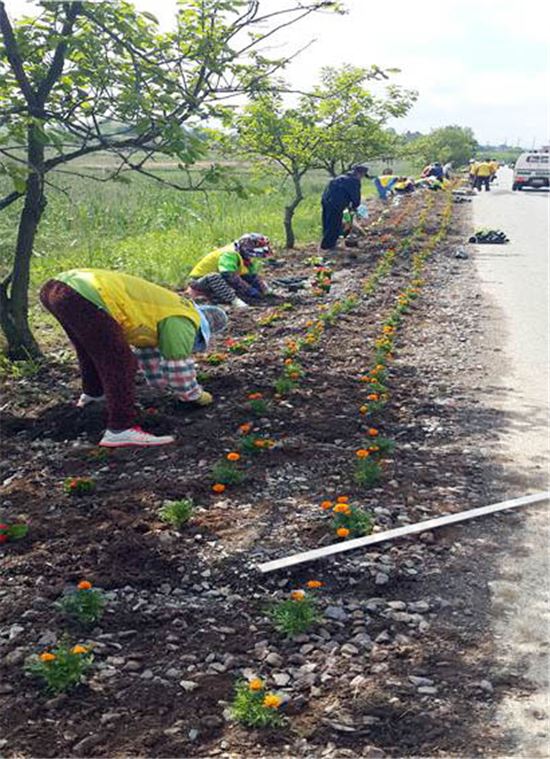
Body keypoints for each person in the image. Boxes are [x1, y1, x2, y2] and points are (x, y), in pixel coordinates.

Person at [39, 269, 228, 448]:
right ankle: (121, 428)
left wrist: (159, 385)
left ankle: (94, 396)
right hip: (85, 293)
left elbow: (148, 352)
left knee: (90, 350)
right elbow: (178, 366)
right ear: (202, 330)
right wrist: (195, 395)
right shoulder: (185, 319)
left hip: (57, 287)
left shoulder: (170, 308)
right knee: (121, 362)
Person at [187, 233, 272, 309]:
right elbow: (228, 275)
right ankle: (234, 301)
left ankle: (225, 296)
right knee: (214, 277)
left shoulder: (243, 257)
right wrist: (248, 289)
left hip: (218, 283)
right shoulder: (229, 254)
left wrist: (263, 289)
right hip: (200, 282)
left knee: (245, 279)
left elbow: (251, 275)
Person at [320, 164, 369, 252]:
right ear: (360, 174)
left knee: (327, 221)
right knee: (334, 223)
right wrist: (354, 207)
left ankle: (326, 242)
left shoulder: (340, 177)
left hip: (326, 200)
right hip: (336, 203)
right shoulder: (354, 181)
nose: (362, 178)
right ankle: (328, 245)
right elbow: (355, 197)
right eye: (362, 176)